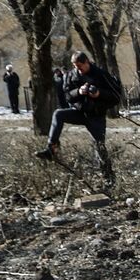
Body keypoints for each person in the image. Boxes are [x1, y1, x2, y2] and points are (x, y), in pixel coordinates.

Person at [36, 51, 120, 184]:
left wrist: (99, 94)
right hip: (79, 112)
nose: (78, 69)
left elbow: (116, 97)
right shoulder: (71, 75)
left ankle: (108, 178)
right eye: (75, 66)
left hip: (96, 116)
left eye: (80, 65)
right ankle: (51, 148)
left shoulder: (101, 74)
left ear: (87, 62)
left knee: (99, 146)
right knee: (58, 114)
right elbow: (67, 95)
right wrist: (79, 92)